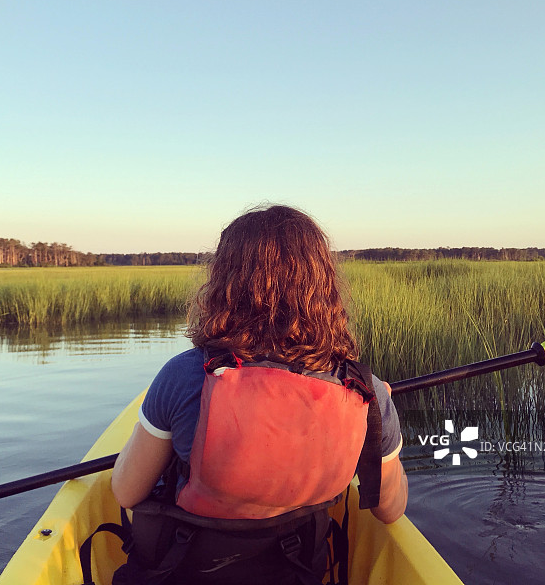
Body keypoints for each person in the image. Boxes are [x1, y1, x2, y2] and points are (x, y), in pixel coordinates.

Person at [110, 204, 407, 584]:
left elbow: (126, 492)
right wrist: (384, 417)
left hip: (187, 570)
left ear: (224, 281)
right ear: (323, 284)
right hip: (297, 570)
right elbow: (390, 509)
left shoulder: (183, 376)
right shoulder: (366, 392)